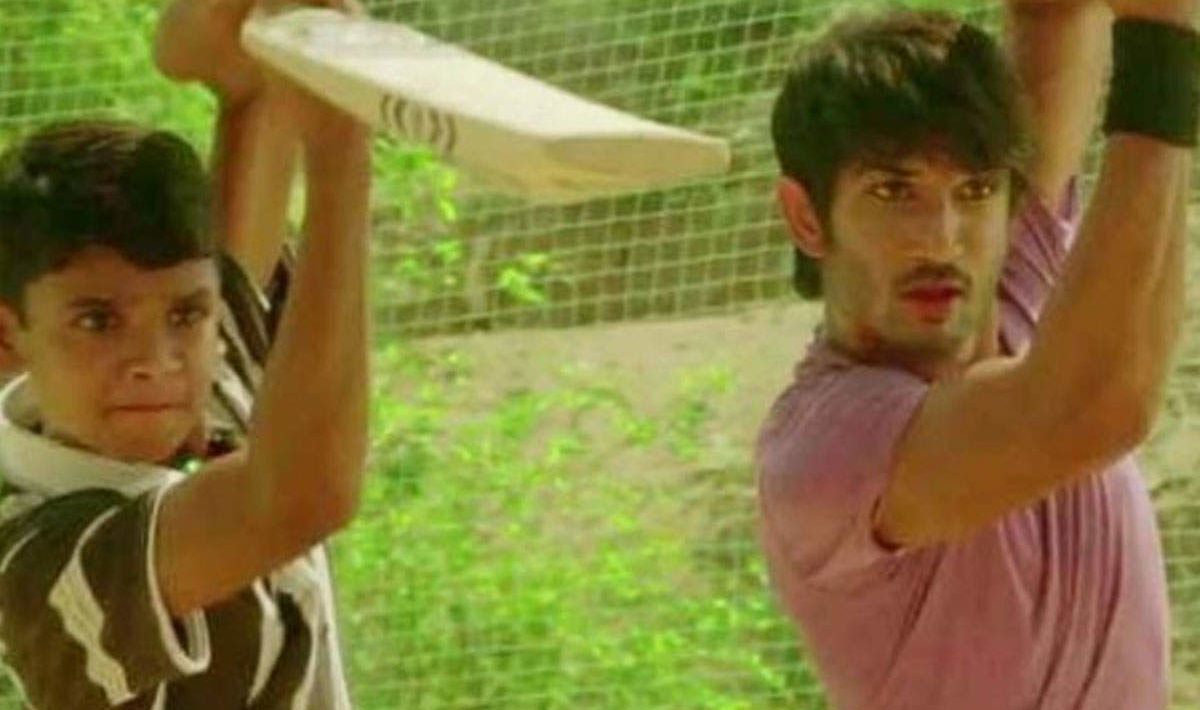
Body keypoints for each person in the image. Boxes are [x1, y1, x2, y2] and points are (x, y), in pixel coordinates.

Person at [757, 0, 1199, 708]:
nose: (942, 237)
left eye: (975, 189)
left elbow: (1052, 17)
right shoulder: (825, 449)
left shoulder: (1014, 284)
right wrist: (1164, 42)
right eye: (893, 190)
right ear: (807, 216)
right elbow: (1096, 408)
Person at [0, 0, 369, 706]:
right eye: (98, 320)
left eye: (186, 314)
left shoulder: (198, 378)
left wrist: (275, 29)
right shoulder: (37, 561)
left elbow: (251, 91)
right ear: (10, 336)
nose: (157, 360)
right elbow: (299, 499)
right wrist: (340, 161)